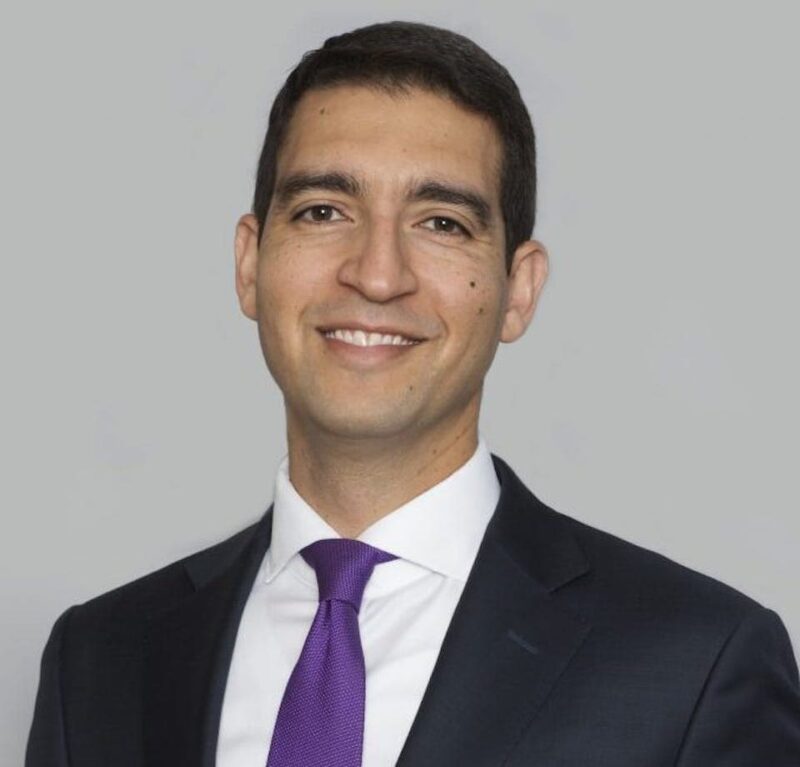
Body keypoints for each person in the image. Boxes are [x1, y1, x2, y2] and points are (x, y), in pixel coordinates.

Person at [26, 20, 800, 767]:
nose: (378, 273)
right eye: (324, 211)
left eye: (441, 222)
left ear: (518, 290)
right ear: (250, 264)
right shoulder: (99, 660)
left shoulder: (696, 664)